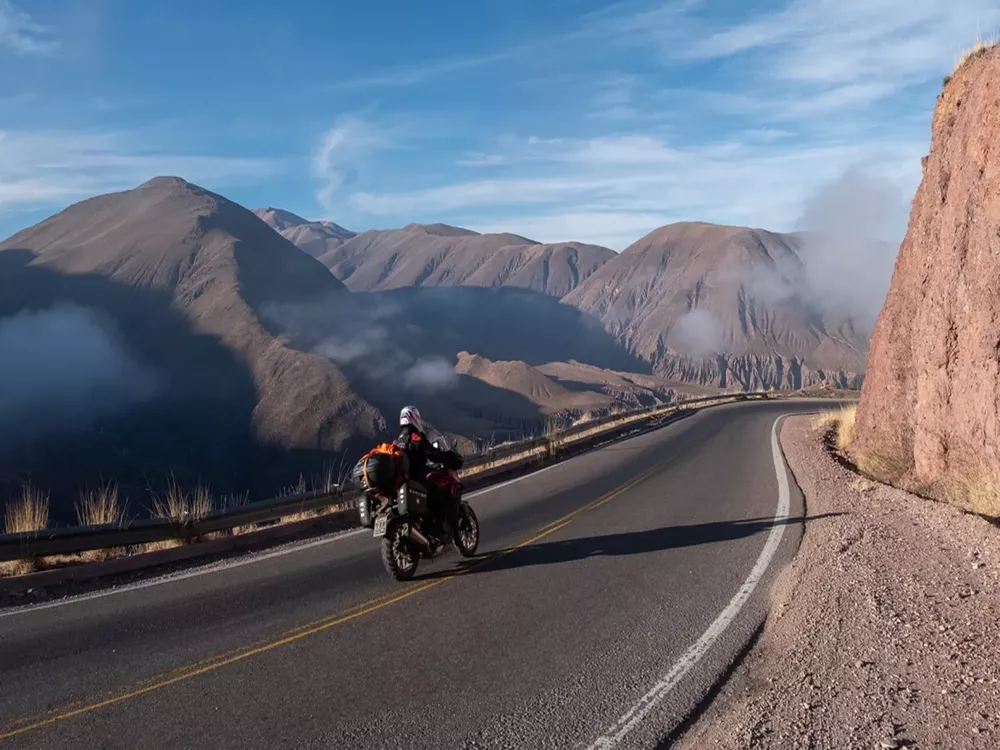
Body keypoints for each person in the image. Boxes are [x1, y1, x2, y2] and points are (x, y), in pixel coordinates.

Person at [393, 406, 459, 543]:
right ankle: (437, 531)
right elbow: (432, 453)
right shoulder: (415, 437)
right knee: (443, 495)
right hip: (418, 479)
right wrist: (448, 456)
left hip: (403, 482)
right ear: (414, 418)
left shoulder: (397, 441)